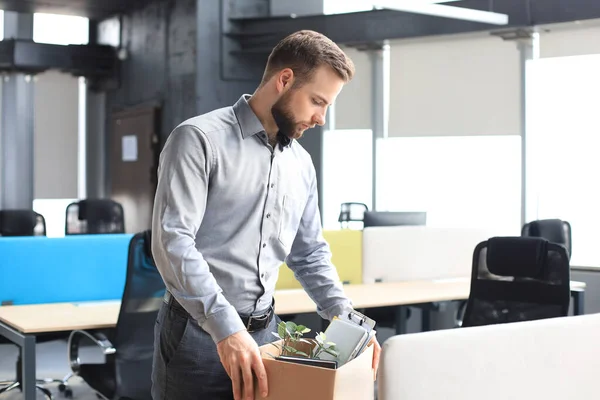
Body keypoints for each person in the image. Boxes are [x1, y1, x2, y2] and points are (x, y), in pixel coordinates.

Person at [151, 29, 381, 400]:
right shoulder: (198, 139)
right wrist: (226, 329)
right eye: (317, 102)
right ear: (285, 79)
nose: (321, 118)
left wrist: (348, 320)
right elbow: (172, 242)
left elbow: (308, 253)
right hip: (196, 335)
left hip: (266, 333)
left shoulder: (301, 164)